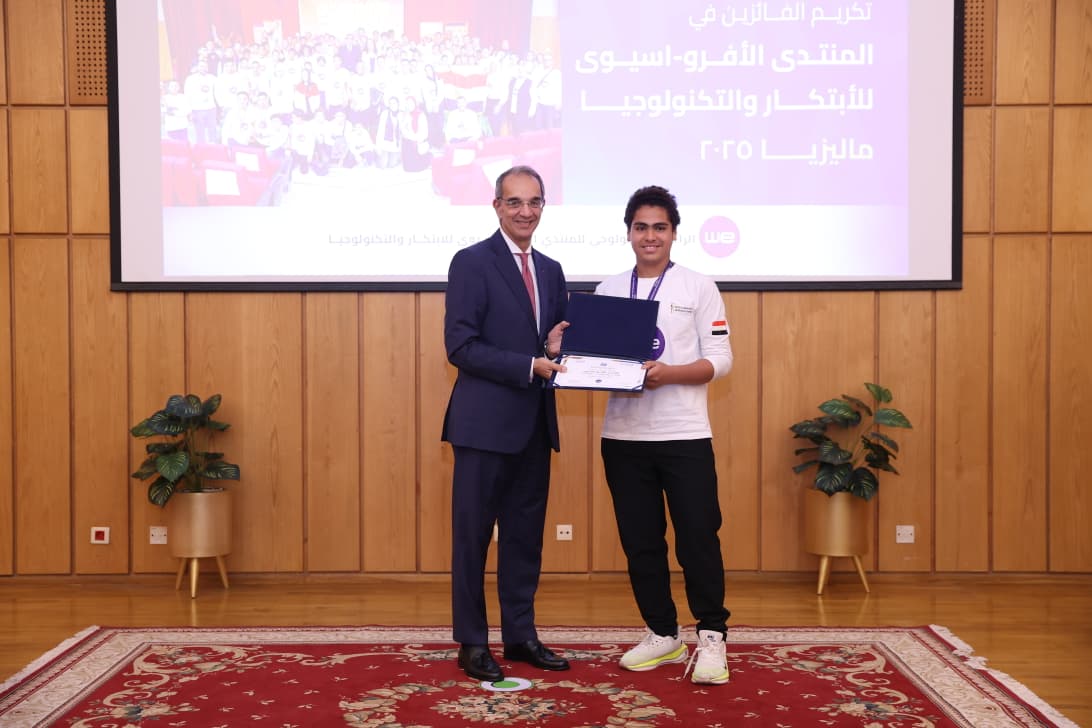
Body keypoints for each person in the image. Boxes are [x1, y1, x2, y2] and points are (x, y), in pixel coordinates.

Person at [595, 185, 733, 685]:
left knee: (698, 538)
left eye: (659, 227)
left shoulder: (698, 286)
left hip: (684, 435)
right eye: (641, 227)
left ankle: (712, 636)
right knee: (641, 543)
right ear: (628, 232)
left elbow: (721, 360)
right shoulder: (609, 289)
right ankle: (662, 633)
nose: (649, 236)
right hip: (623, 438)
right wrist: (569, 351)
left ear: (674, 233)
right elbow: (596, 360)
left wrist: (668, 374)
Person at [442, 165, 571, 683]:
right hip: (482, 427)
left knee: (525, 539)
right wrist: (528, 365)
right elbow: (460, 346)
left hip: (534, 426)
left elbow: (550, 348)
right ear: (496, 206)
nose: (525, 211)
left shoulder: (553, 270)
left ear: (544, 207)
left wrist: (554, 351)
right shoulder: (471, 262)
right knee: (472, 539)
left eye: (534, 202)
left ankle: (520, 636)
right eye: (514, 201)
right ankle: (472, 643)